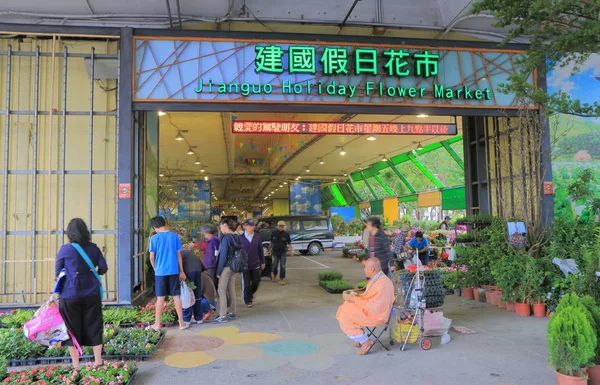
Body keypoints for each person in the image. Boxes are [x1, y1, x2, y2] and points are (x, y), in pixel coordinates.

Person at [56, 218, 108, 368]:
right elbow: (103, 268)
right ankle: (98, 361)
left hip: (69, 295)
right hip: (91, 293)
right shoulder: (93, 248)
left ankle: (76, 363)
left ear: (69, 233)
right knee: (94, 325)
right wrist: (92, 274)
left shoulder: (65, 249)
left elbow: (58, 272)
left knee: (71, 329)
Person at [336, 258, 395, 355]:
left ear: (371, 269)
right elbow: (370, 297)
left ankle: (365, 341)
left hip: (376, 315)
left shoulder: (382, 283)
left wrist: (354, 299)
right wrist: (354, 296)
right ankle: (359, 335)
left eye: (365, 267)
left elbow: (375, 307)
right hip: (371, 310)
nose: (364, 270)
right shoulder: (379, 278)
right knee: (345, 306)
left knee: (344, 316)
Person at [148, 216, 188, 331]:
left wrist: (156, 269)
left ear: (154, 227)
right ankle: (181, 323)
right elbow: (179, 255)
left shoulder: (154, 238)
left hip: (160, 272)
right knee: (176, 296)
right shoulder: (174, 236)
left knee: (160, 298)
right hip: (174, 270)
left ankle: (157, 324)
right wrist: (181, 271)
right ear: (164, 224)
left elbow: (151, 258)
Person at [215, 218, 242, 323]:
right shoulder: (237, 237)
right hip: (234, 267)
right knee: (231, 289)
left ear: (225, 225)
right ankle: (232, 312)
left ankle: (222, 315)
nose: (220, 229)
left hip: (226, 267)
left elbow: (223, 256)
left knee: (221, 290)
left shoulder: (226, 238)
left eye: (221, 226)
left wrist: (218, 271)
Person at [239, 219, 265, 307]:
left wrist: (262, 261)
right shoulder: (240, 238)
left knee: (256, 281)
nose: (252, 227)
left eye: (253, 225)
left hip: (255, 263)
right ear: (244, 226)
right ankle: (248, 300)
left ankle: (250, 293)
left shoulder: (257, 237)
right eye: (250, 225)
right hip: (244, 265)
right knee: (246, 283)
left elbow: (260, 250)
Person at [181, 244, 203, 325]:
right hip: (198, 271)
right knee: (197, 295)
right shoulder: (191, 252)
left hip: (189, 272)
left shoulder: (181, 253)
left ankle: (186, 319)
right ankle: (199, 318)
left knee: (187, 295)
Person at [270, 220, 292, 285]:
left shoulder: (286, 234)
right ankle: (274, 275)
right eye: (280, 226)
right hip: (275, 252)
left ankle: (281, 279)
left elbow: (289, 243)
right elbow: (271, 242)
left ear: (284, 227)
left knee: (283, 266)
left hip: (283, 252)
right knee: (275, 266)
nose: (281, 227)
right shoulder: (273, 233)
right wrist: (270, 250)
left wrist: (291, 251)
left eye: (282, 226)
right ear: (278, 226)